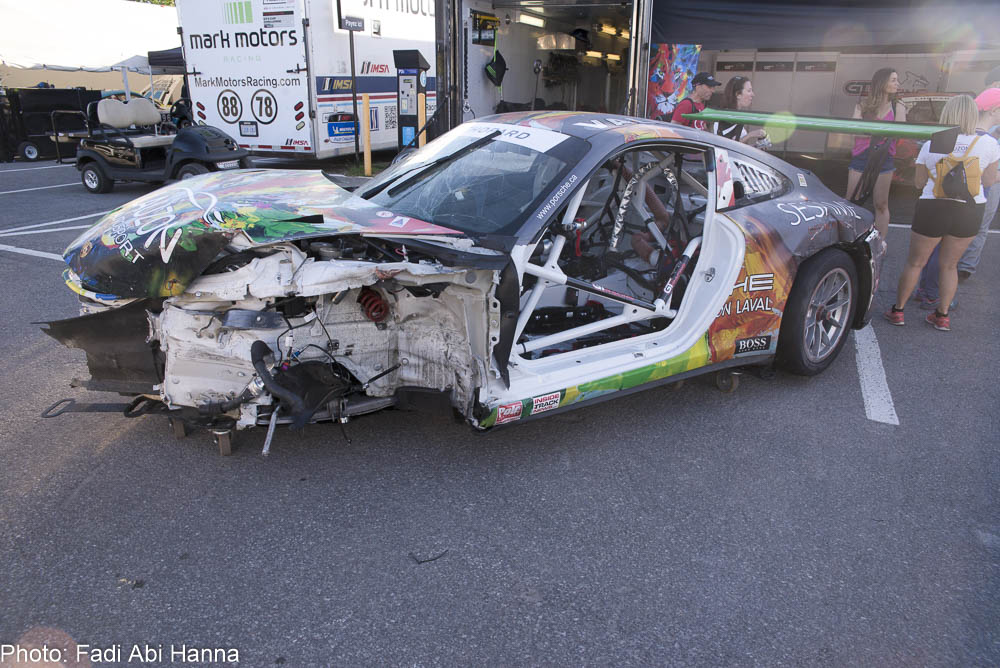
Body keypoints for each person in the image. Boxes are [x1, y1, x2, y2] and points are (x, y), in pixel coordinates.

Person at [884, 95, 999, 331]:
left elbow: (919, 183)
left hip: (933, 206)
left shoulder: (933, 143)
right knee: (949, 265)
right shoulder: (989, 144)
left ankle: (898, 311)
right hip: (969, 209)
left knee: (916, 262)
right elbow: (988, 181)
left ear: (948, 114)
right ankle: (942, 316)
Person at [914, 85, 1000, 308]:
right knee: (947, 258)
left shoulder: (944, 138)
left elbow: (922, 178)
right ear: (993, 110)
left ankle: (920, 295)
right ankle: (935, 299)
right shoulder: (987, 142)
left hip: (935, 201)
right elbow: (988, 180)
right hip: (968, 203)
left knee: (925, 254)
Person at [845, 68, 907, 240]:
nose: (897, 84)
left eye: (897, 80)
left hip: (884, 157)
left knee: (881, 204)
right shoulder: (863, 105)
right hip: (861, 156)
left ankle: (879, 243)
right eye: (893, 80)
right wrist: (882, 132)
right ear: (882, 82)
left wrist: (870, 131)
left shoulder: (898, 106)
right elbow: (853, 130)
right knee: (851, 201)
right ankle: (849, 240)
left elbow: (900, 132)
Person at [713, 76, 768, 145]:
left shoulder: (737, 115)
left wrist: (758, 145)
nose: (753, 94)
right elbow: (726, 145)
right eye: (749, 91)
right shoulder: (725, 116)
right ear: (738, 94)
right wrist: (750, 135)